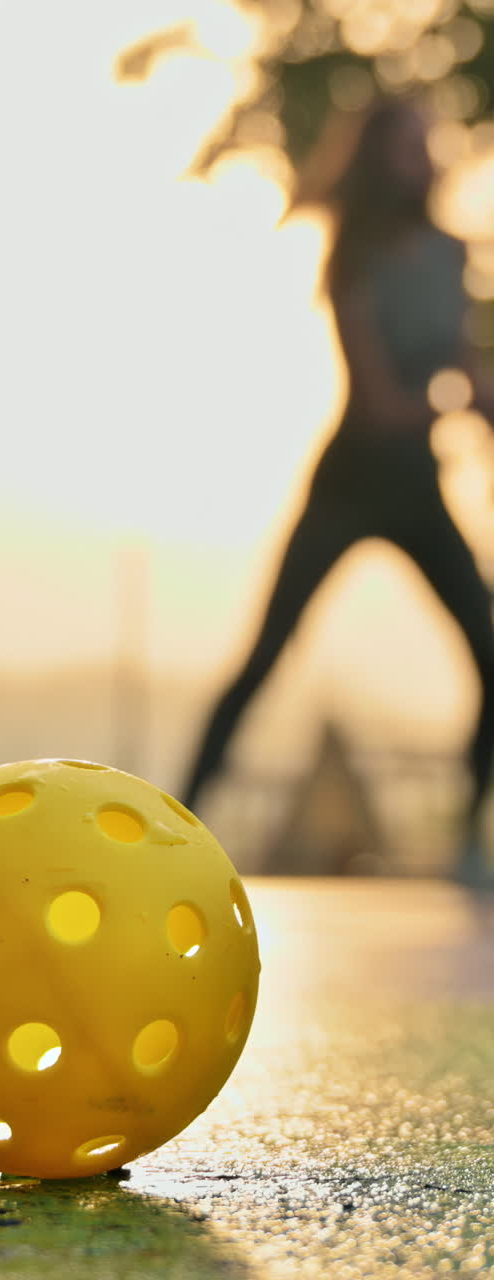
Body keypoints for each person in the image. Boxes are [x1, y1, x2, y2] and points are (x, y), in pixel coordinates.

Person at [180, 96, 494, 883]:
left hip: (418, 485)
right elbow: (381, 399)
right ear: (382, 158)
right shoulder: (352, 255)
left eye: (431, 140)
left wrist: (480, 406)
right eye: (411, 142)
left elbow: (464, 364)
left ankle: (466, 841)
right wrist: (455, 403)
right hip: (351, 481)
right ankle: (181, 818)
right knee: (265, 654)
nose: (427, 152)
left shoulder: (452, 254)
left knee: (490, 652)